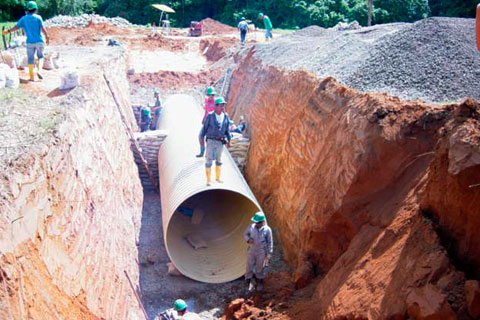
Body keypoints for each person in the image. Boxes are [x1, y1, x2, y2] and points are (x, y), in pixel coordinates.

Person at [2, 1, 50, 81]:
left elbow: (16, 27)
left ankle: (31, 77)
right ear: (35, 9)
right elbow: (43, 29)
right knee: (40, 57)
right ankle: (39, 70)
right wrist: (47, 37)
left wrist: (8, 31)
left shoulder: (24, 19)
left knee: (30, 59)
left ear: (28, 9)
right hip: (39, 41)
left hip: (29, 42)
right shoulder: (38, 18)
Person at [199, 97, 231, 186]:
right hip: (210, 141)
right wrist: (201, 139)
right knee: (209, 160)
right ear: (215, 106)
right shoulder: (210, 116)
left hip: (220, 142)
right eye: (221, 105)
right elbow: (204, 129)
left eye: (223, 105)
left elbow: (227, 130)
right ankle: (208, 180)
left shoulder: (225, 116)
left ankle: (217, 178)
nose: (223, 107)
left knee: (219, 160)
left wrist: (229, 140)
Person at [243, 211, 273, 293]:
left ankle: (259, 282)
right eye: (255, 222)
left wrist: (269, 253)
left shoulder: (267, 230)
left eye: (257, 222)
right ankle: (247, 282)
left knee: (260, 267)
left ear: (262, 222)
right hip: (252, 250)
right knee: (249, 266)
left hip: (261, 251)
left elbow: (270, 242)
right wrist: (248, 239)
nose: (256, 224)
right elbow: (245, 234)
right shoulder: (251, 227)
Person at [196, 86, 217, 158]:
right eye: (211, 95)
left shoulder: (216, 102)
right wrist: (203, 119)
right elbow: (206, 111)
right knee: (200, 136)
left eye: (213, 95)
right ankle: (202, 152)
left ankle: (212, 155)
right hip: (206, 122)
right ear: (208, 95)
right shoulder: (206, 100)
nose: (212, 96)